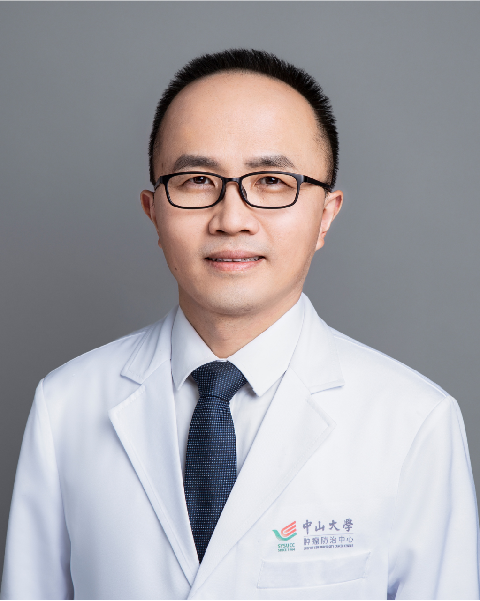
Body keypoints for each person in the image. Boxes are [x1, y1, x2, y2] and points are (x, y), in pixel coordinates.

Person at [1, 48, 478, 600]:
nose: (232, 219)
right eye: (197, 180)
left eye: (272, 180)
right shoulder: (65, 406)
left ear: (326, 215)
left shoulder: (415, 422)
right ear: (153, 211)